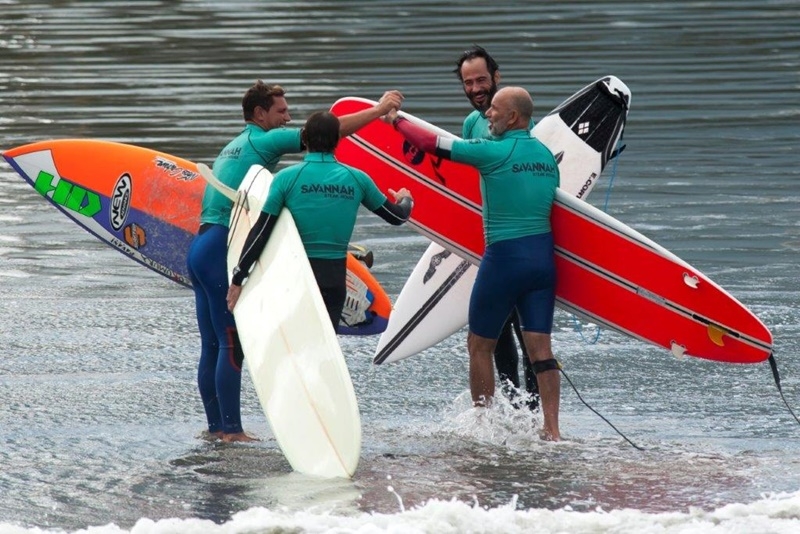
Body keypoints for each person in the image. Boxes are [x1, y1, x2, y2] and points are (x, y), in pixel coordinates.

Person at [187, 81, 403, 443]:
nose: (288, 118)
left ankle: (215, 429)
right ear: (259, 114)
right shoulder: (264, 140)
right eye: (281, 111)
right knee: (230, 343)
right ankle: (232, 431)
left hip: (202, 246)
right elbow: (329, 131)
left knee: (211, 344)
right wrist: (380, 111)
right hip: (222, 247)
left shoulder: (236, 145)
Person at [386, 87, 561, 441]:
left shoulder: (492, 152)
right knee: (541, 350)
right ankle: (552, 430)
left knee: (479, 344)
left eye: (494, 110)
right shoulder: (545, 156)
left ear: (513, 117)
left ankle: (483, 424)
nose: (488, 115)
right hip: (543, 262)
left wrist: (395, 119)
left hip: (504, 261)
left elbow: (431, 144)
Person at [226, 110, 413, 327]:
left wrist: (238, 279)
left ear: (305, 139)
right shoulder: (357, 178)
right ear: (337, 141)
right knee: (323, 347)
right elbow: (397, 216)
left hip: (298, 278)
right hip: (335, 280)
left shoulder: (286, 178)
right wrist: (406, 200)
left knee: (296, 344)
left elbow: (261, 231)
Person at [454, 45, 538, 410]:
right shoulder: (473, 124)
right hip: (489, 243)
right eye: (468, 82)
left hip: (520, 242)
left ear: (496, 78)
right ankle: (511, 409)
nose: (475, 88)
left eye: (482, 80)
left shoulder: (516, 120)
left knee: (528, 332)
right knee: (497, 333)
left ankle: (534, 412)